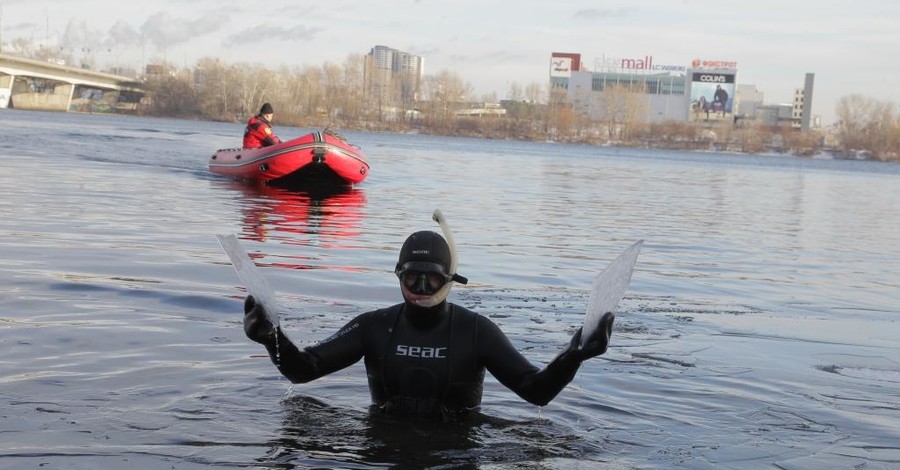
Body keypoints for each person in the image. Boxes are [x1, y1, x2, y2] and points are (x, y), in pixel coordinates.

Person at [242, 229, 616, 420]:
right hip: (382, 450)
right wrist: (270, 337)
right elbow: (304, 369)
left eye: (432, 279)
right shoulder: (374, 327)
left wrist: (574, 356)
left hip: (457, 453)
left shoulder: (476, 331)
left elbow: (535, 391)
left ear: (451, 280)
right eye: (411, 278)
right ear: (398, 276)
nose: (421, 288)